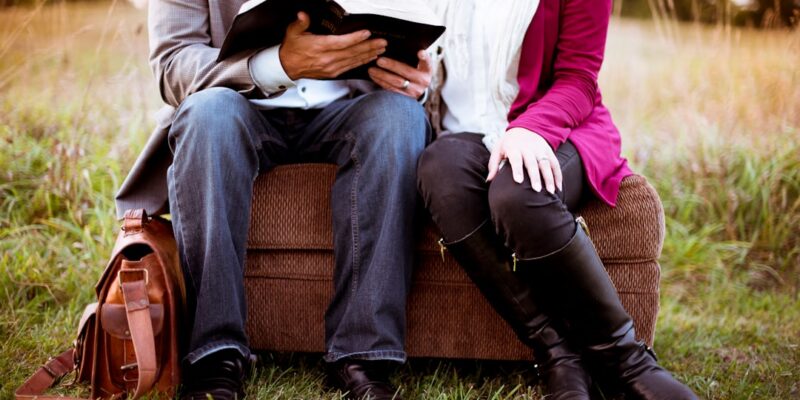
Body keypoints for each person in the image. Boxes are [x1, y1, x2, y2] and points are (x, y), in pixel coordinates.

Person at [114, 0, 434, 398]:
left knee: (399, 118)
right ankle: (215, 355)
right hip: (235, 105)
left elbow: (433, 42)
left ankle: (364, 355)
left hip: (352, 107)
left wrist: (416, 80)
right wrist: (279, 65)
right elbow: (172, 64)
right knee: (207, 115)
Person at [417, 0, 698, 399]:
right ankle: (558, 354)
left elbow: (579, 78)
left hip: (555, 128)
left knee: (519, 191)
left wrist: (530, 129)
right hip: (460, 136)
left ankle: (625, 359)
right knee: (438, 172)